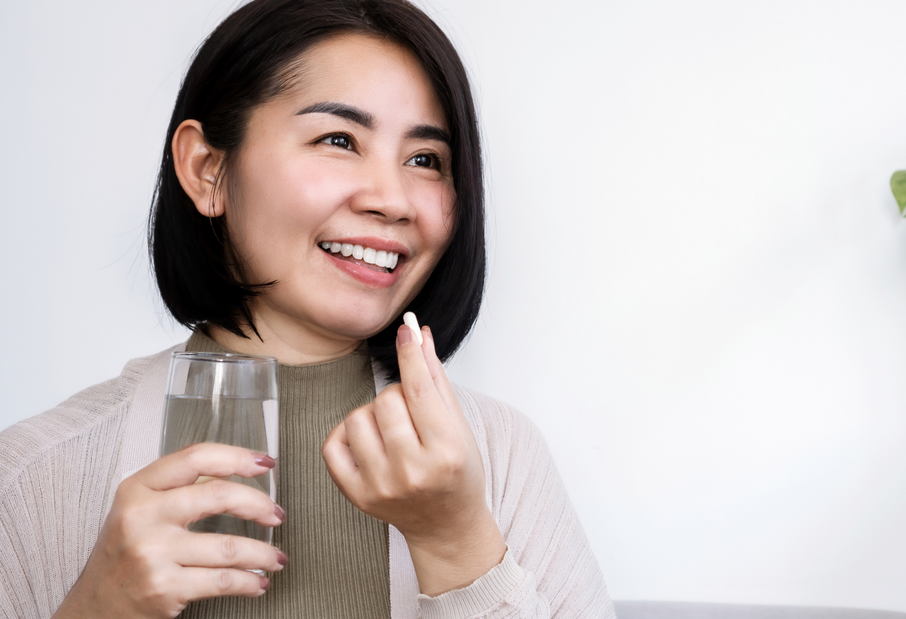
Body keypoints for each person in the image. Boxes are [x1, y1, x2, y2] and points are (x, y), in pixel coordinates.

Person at [0, 1, 615, 617]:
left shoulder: (503, 458)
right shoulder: (35, 476)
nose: (392, 200)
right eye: (339, 139)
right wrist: (98, 606)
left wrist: (457, 545)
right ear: (207, 168)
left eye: (425, 159)